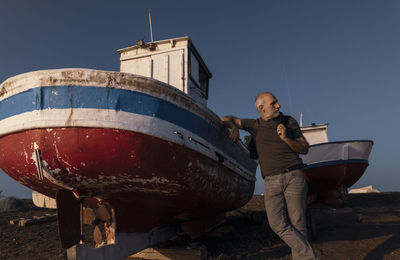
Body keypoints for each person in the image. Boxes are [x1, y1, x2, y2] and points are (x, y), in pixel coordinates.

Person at [222, 92, 320, 260]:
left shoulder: (288, 121)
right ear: (261, 108)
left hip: (294, 176)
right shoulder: (254, 125)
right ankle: (311, 256)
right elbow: (226, 118)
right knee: (276, 224)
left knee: (298, 225)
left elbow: (304, 148)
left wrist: (286, 138)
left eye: (277, 102)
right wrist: (235, 127)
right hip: (271, 181)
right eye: (273, 103)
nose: (278, 106)